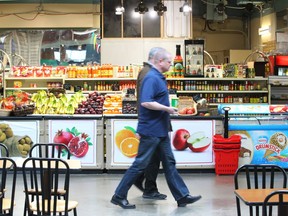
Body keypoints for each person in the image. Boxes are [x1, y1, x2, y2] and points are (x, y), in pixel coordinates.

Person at [111, 47, 202, 209]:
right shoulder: (151, 77)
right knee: (139, 164)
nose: (171, 65)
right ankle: (119, 195)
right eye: (169, 62)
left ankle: (182, 196)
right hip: (151, 130)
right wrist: (167, 109)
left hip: (160, 130)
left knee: (169, 163)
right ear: (160, 61)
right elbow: (145, 102)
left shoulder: (158, 77)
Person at [133, 47, 167, 200]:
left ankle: (144, 182)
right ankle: (147, 186)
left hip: (153, 123)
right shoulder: (149, 74)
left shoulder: (145, 72)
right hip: (152, 124)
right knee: (151, 159)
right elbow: (144, 101)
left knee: (151, 158)